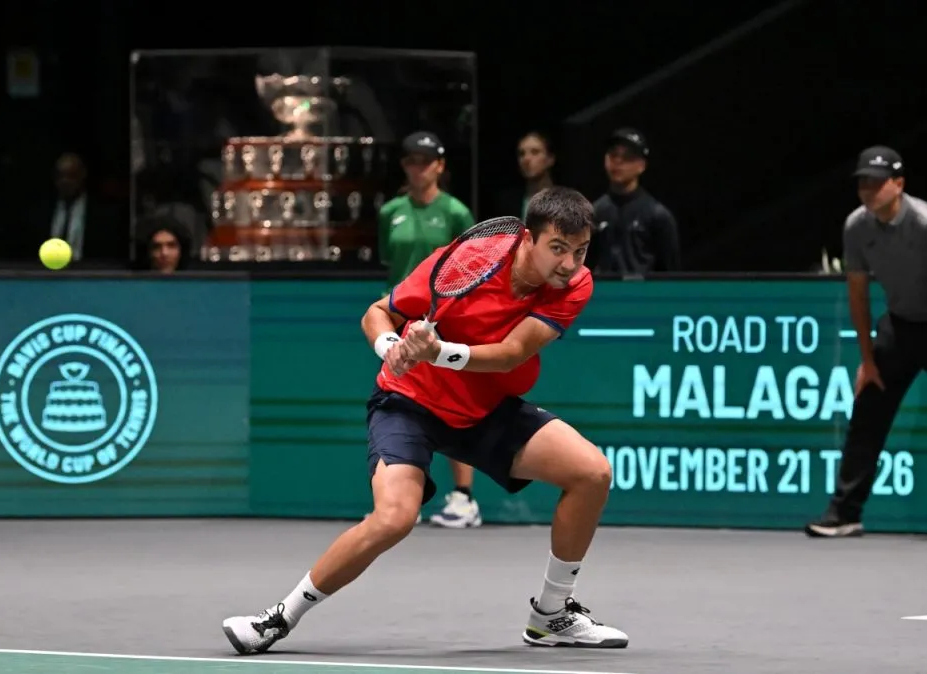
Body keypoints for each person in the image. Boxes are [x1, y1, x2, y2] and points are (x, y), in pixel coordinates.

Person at [222, 186, 629, 652]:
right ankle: (278, 618)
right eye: (558, 249)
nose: (569, 264)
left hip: (485, 410)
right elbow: (378, 313)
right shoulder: (465, 262)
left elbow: (512, 353)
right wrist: (391, 348)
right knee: (394, 518)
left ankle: (552, 614)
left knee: (592, 472)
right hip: (409, 406)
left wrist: (439, 352)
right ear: (526, 240)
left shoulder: (576, 284)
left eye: (579, 251)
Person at [806, 145, 927, 538]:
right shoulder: (856, 226)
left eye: (878, 182)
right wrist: (868, 359)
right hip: (898, 325)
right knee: (868, 411)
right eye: (863, 182)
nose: (869, 189)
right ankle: (845, 514)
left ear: (899, 184)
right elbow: (858, 292)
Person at [377, 130, 482, 529]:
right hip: (401, 320)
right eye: (410, 161)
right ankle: (403, 499)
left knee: (451, 407)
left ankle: (464, 499)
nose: (417, 168)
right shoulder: (391, 212)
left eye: (425, 161)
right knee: (402, 406)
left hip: (445, 324)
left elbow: (475, 265)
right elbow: (390, 259)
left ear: (439, 166)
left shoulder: (456, 212)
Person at [586, 128, 681, 274]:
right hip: (604, 294)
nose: (618, 161)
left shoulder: (657, 215)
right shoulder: (595, 212)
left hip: (643, 294)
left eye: (627, 157)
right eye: (613, 154)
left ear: (641, 165)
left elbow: (670, 271)